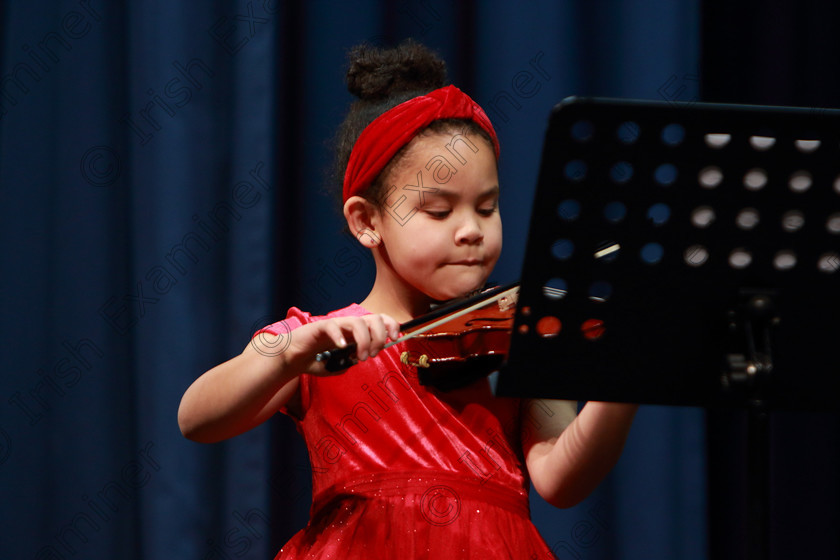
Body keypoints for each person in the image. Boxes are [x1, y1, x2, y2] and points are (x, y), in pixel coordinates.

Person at [178, 40, 638, 559]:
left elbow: (560, 479)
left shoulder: (519, 329)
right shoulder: (320, 339)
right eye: (439, 212)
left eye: (487, 208)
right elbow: (196, 418)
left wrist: (623, 377)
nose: (471, 230)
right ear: (367, 221)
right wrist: (287, 353)